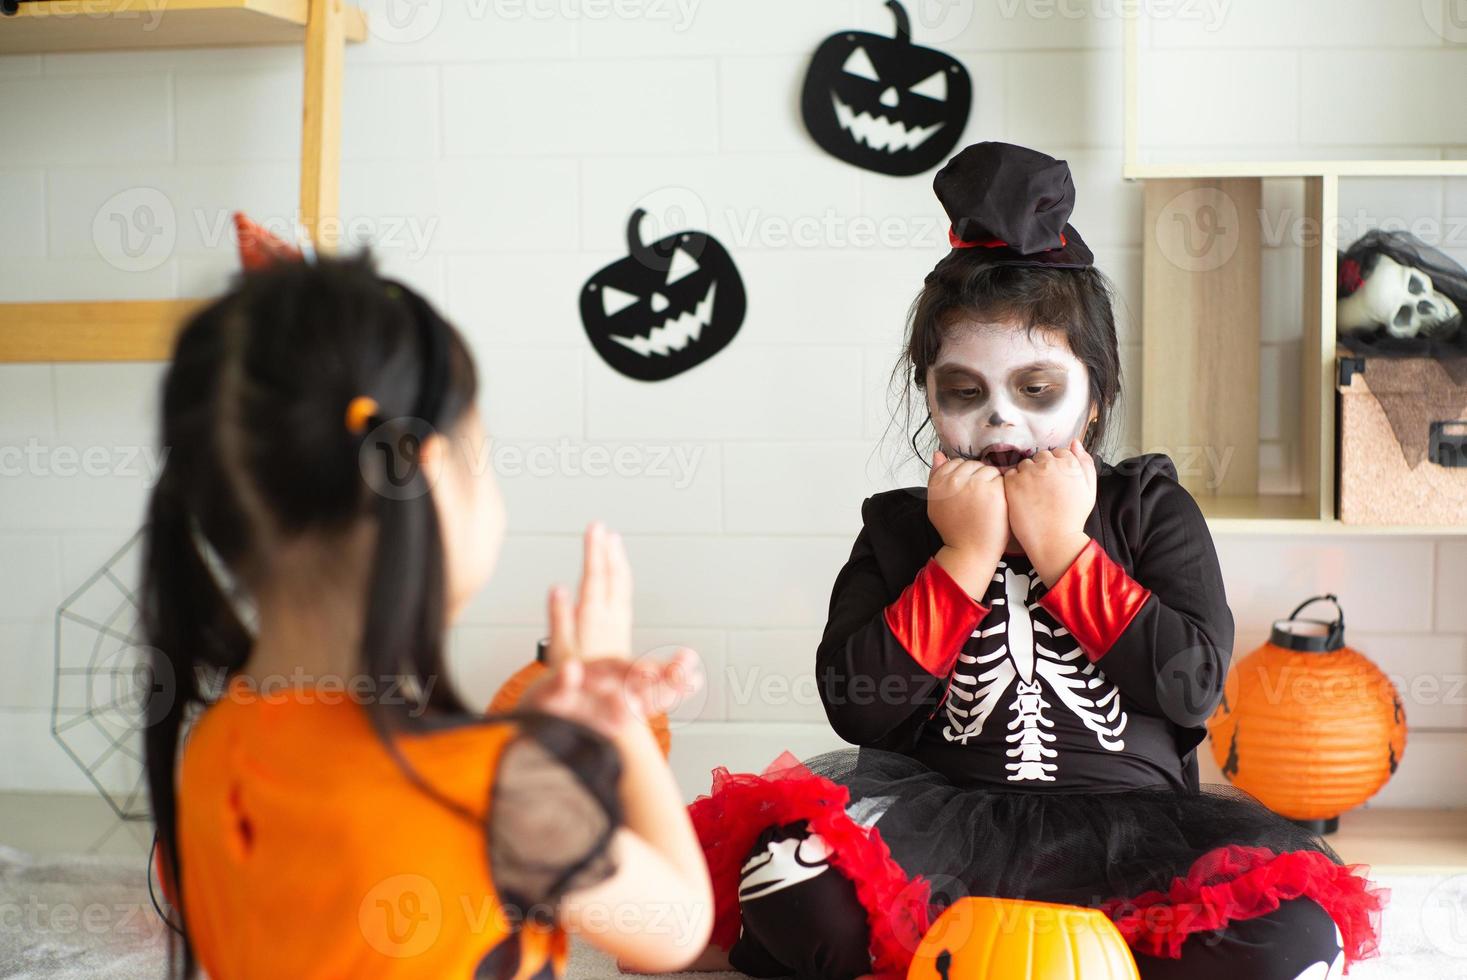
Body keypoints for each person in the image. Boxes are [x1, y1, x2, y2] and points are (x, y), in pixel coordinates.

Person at [681, 143, 1388, 980]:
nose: (1001, 424)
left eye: (1037, 391)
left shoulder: (1148, 509)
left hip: (1136, 833)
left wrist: (1063, 548)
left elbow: (1191, 687)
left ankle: (1086, 952)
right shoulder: (901, 527)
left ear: (1094, 396)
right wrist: (962, 554)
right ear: (931, 396)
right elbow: (856, 708)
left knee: (1292, 928)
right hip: (934, 834)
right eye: (964, 392)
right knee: (789, 881)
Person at [139, 254, 713, 978]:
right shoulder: (489, 790)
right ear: (433, 477)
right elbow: (679, 923)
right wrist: (621, 724)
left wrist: (538, 739)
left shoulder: (213, 750)